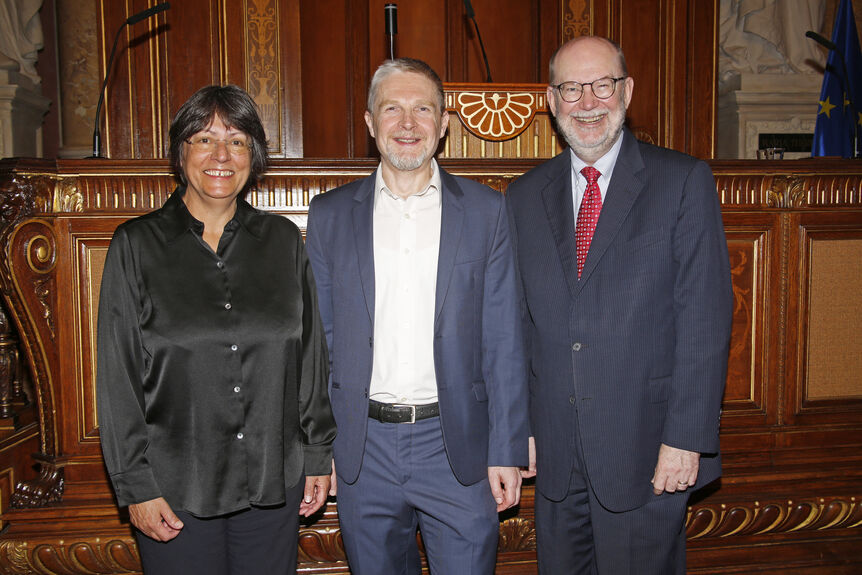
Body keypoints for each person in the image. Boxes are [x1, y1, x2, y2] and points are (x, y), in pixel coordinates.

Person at [506, 36, 733, 574]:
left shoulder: (682, 182)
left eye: (601, 85)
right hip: (556, 456)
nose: (587, 102)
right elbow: (516, 327)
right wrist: (521, 429)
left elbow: (704, 320)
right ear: (550, 99)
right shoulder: (521, 197)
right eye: (570, 89)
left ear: (626, 91)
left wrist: (687, 437)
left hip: (648, 451)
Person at [97, 84, 336, 575]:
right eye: (204, 139)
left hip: (274, 481)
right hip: (175, 489)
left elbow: (311, 356)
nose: (221, 155)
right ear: (180, 151)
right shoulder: (136, 245)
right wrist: (136, 485)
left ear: (255, 155)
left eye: (238, 140)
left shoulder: (283, 240)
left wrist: (317, 453)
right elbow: (117, 377)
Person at [305, 58, 528, 575]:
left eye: (423, 109)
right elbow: (318, 342)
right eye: (393, 109)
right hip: (363, 449)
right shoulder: (330, 215)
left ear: (444, 123)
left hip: (458, 448)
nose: (408, 124)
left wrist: (506, 448)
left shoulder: (486, 211)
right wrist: (319, 449)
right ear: (369, 123)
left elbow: (504, 339)